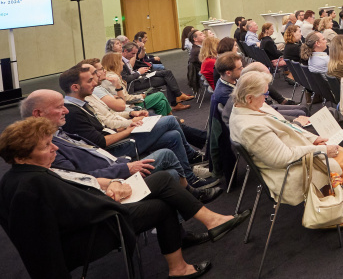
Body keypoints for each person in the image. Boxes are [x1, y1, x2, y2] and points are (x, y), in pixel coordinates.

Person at [0, 117, 250, 279]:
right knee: (162, 201)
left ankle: (202, 234)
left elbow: (81, 184)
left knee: (162, 180)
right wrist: (112, 195)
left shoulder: (27, 175)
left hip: (98, 210)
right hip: (97, 228)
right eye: (46, 146)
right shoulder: (33, 184)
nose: (54, 147)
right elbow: (58, 228)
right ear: (21, 157)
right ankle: (186, 257)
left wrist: (113, 184)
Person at [228, 71, 343, 222]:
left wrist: (314, 139)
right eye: (264, 94)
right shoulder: (250, 126)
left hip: (295, 156)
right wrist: (321, 150)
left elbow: (288, 127)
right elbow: (282, 158)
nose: (267, 98)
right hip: (288, 171)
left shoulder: (248, 108)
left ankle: (332, 213)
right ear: (249, 98)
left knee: (340, 151)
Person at [19, 89, 220, 203]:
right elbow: (83, 177)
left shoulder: (59, 133)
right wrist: (124, 165)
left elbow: (98, 144)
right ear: (38, 114)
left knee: (172, 141)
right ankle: (197, 174)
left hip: (117, 161)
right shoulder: (46, 148)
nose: (66, 111)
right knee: (169, 130)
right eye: (59, 107)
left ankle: (181, 226)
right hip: (113, 177)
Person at [59, 65, 217, 191]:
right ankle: (195, 159)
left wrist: (130, 120)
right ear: (75, 87)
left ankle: (190, 175)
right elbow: (101, 141)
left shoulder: (83, 102)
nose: (94, 82)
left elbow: (106, 122)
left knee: (173, 136)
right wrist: (129, 128)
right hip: (117, 148)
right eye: (90, 80)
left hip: (119, 136)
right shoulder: (73, 112)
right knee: (170, 120)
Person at [120, 43, 193, 110]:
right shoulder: (120, 62)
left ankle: (178, 96)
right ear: (125, 51)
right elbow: (125, 79)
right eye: (132, 53)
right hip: (134, 84)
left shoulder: (126, 60)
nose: (133, 56)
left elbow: (131, 72)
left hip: (139, 77)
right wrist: (139, 72)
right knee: (167, 79)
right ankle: (177, 98)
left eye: (135, 54)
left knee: (167, 73)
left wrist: (139, 71)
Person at [101, 53, 172, 116]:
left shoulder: (114, 75)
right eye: (121, 61)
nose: (123, 64)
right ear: (115, 63)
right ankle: (170, 116)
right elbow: (125, 98)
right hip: (129, 106)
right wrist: (140, 96)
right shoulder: (113, 78)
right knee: (159, 95)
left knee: (162, 103)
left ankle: (166, 120)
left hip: (129, 102)